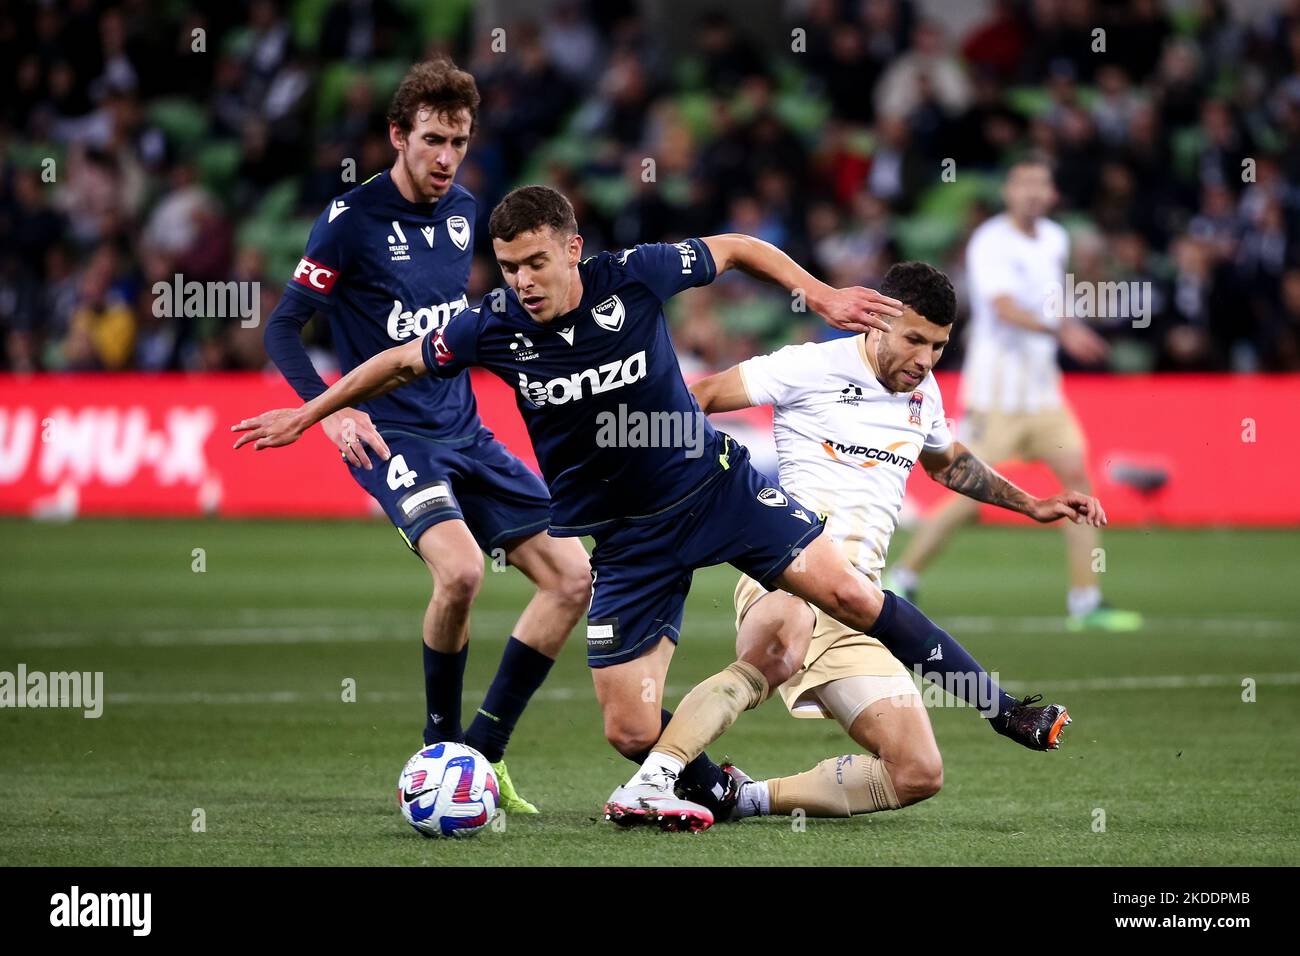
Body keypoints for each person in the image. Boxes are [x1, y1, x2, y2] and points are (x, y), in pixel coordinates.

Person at [235, 185, 1067, 833]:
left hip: (715, 491)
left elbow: (736, 247)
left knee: (849, 592)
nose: (522, 281)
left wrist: (815, 292)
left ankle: (1003, 709)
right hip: (626, 540)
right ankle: (720, 792)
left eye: (535, 263)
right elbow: (396, 362)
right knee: (629, 728)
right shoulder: (487, 327)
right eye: (508, 265)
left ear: (572, 249)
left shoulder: (634, 273)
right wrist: (310, 413)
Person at [260, 62, 591, 814]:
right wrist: (331, 409)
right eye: (434, 140)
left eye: (460, 141)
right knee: (463, 572)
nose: (447, 158)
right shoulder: (350, 221)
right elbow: (283, 326)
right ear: (397, 136)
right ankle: (438, 750)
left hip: (466, 428)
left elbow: (463, 327)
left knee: (574, 578)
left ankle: (483, 752)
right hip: (393, 434)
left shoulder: (470, 211)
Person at [684, 261, 1092, 823]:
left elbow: (948, 465)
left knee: (917, 773)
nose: (925, 360)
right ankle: (656, 771)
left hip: (864, 607)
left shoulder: (922, 394)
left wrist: (1033, 504)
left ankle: (740, 797)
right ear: (875, 323)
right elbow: (696, 397)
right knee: (766, 661)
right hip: (790, 573)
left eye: (940, 346)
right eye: (915, 340)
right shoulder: (808, 365)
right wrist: (706, 485)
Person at [889, 158, 1141, 632]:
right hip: (996, 394)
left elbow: (1052, 302)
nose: (1032, 193)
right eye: (1024, 184)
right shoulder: (991, 241)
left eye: (1041, 185)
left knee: (1079, 484)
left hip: (1043, 395)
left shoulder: (1055, 238)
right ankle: (903, 576)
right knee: (967, 490)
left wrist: (1076, 317)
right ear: (1009, 192)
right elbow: (1002, 308)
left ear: (1051, 195)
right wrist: (1063, 331)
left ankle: (1085, 601)